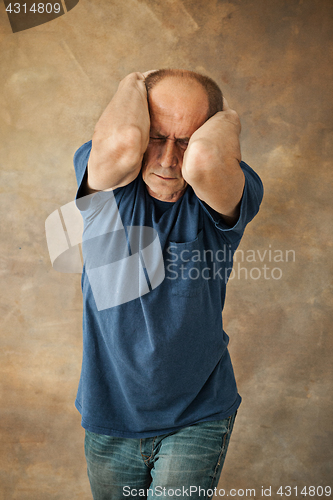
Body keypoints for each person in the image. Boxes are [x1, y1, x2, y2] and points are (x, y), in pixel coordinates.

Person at [73, 69, 263, 500]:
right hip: (110, 415)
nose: (168, 159)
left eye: (187, 139)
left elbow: (204, 163)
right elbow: (121, 142)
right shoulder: (105, 178)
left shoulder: (231, 186)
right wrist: (131, 82)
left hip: (197, 414)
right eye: (156, 136)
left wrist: (229, 117)